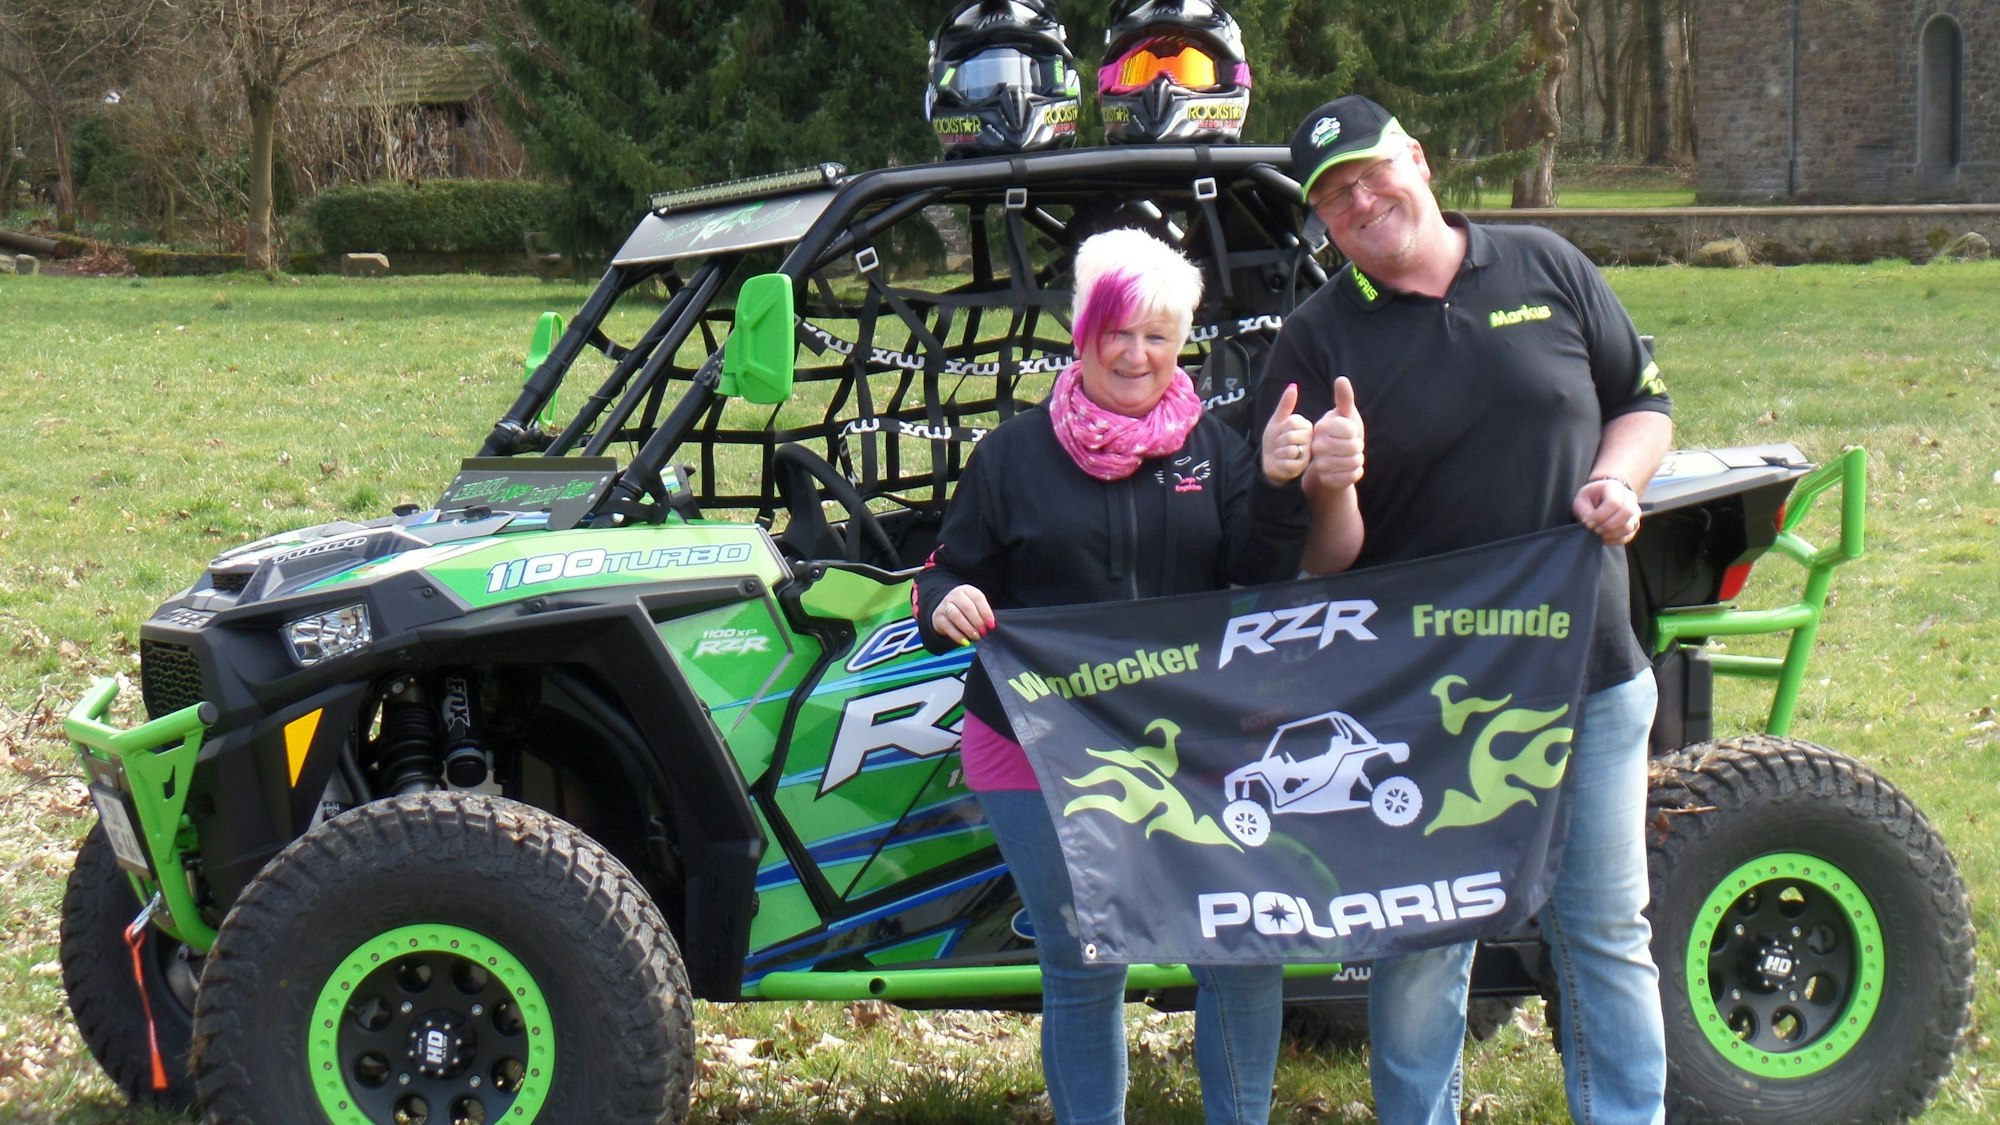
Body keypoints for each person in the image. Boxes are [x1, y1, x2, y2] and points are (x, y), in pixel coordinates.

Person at [1261, 94, 1674, 1124]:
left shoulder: (1544, 266)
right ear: (1321, 222)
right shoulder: (1316, 338)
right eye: (1331, 198)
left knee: (1603, 930)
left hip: (1587, 671)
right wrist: (1328, 485)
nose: (1358, 202)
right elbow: (1319, 567)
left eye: (1368, 174)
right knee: (1419, 951)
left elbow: (1641, 403)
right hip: (1417, 708)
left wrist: (1617, 481)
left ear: (1417, 159)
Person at [916, 226, 1314, 1125]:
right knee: (1084, 959)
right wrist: (944, 603)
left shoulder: (1214, 445)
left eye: (1160, 335)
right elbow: (944, 571)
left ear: (1183, 343)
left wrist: (1284, 486)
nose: (1137, 354)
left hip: (1195, 744)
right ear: (1079, 331)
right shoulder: (1012, 455)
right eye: (1117, 331)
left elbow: (1259, 573)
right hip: (1036, 747)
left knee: (1241, 950)